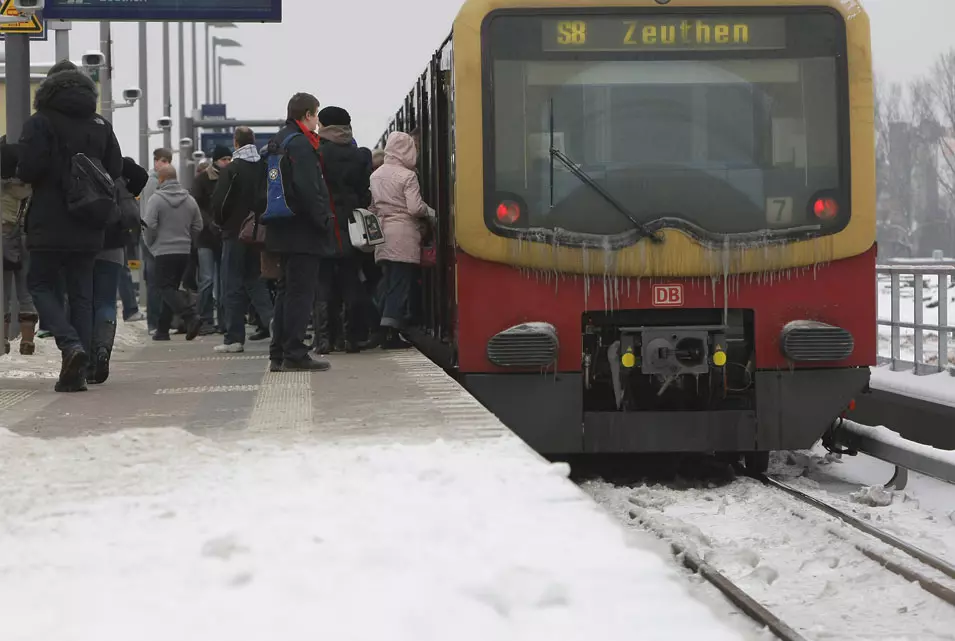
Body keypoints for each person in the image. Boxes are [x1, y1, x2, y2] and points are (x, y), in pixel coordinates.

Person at [17, 60, 123, 392]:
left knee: (40, 285)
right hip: (89, 223)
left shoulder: (40, 122)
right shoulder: (101, 124)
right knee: (82, 294)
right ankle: (76, 373)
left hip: (49, 221)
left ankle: (70, 345)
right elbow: (115, 167)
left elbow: (28, 170)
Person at [263, 92, 335, 372]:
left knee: (285, 291)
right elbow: (309, 189)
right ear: (307, 115)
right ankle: (295, 352)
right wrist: (324, 221)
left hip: (281, 226)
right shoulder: (301, 144)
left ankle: (278, 353)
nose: (317, 122)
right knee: (301, 293)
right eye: (316, 115)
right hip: (302, 229)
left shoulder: (277, 141)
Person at [314, 106, 373, 354]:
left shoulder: (317, 153)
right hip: (351, 226)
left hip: (324, 225)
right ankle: (352, 338)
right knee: (351, 281)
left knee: (324, 283)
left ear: (325, 126)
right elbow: (365, 193)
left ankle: (325, 339)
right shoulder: (360, 155)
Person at [369, 131, 434, 350]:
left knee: (387, 281)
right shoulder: (408, 176)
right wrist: (431, 212)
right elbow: (415, 208)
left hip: (383, 233)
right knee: (400, 284)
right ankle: (390, 333)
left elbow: (372, 207)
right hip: (403, 233)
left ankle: (379, 325)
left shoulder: (376, 175)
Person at [211, 126, 274, 353]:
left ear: (236, 143)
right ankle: (272, 320)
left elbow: (220, 202)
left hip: (235, 233)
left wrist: (221, 222)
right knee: (256, 281)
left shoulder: (233, 169)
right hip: (258, 233)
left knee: (232, 284)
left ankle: (234, 338)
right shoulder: (263, 167)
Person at [89, 157, 149, 384]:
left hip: (83, 242)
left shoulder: (78, 160)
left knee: (84, 301)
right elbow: (141, 175)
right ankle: (103, 350)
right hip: (114, 240)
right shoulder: (116, 162)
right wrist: (126, 190)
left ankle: (87, 361)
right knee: (105, 302)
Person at [143, 165, 203, 342]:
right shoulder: (189, 199)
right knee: (172, 289)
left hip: (163, 251)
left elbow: (149, 225)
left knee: (164, 288)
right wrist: (188, 240)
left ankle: (190, 316)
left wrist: (151, 244)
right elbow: (198, 226)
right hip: (184, 252)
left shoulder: (156, 199)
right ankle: (162, 330)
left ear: (161, 180)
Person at [1, 137, 37, 356]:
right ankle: (27, 341)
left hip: (3, 239)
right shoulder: (31, 187)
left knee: (2, 293)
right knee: (27, 293)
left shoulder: (3, 189)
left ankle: (3, 339)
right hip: (28, 238)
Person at [192, 145, 230, 335]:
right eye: (224, 159)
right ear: (215, 160)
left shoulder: (231, 177)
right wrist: (210, 223)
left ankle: (224, 321)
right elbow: (197, 205)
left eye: (229, 159)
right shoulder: (202, 180)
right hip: (206, 237)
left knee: (223, 281)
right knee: (207, 280)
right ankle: (204, 319)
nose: (227, 162)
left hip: (223, 236)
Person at [140, 147, 173, 333]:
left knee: (156, 281)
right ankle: (155, 323)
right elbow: (151, 214)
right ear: (157, 161)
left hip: (152, 236)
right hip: (153, 237)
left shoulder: (152, 181)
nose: (165, 166)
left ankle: (158, 322)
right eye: (163, 162)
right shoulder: (153, 182)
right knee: (155, 282)